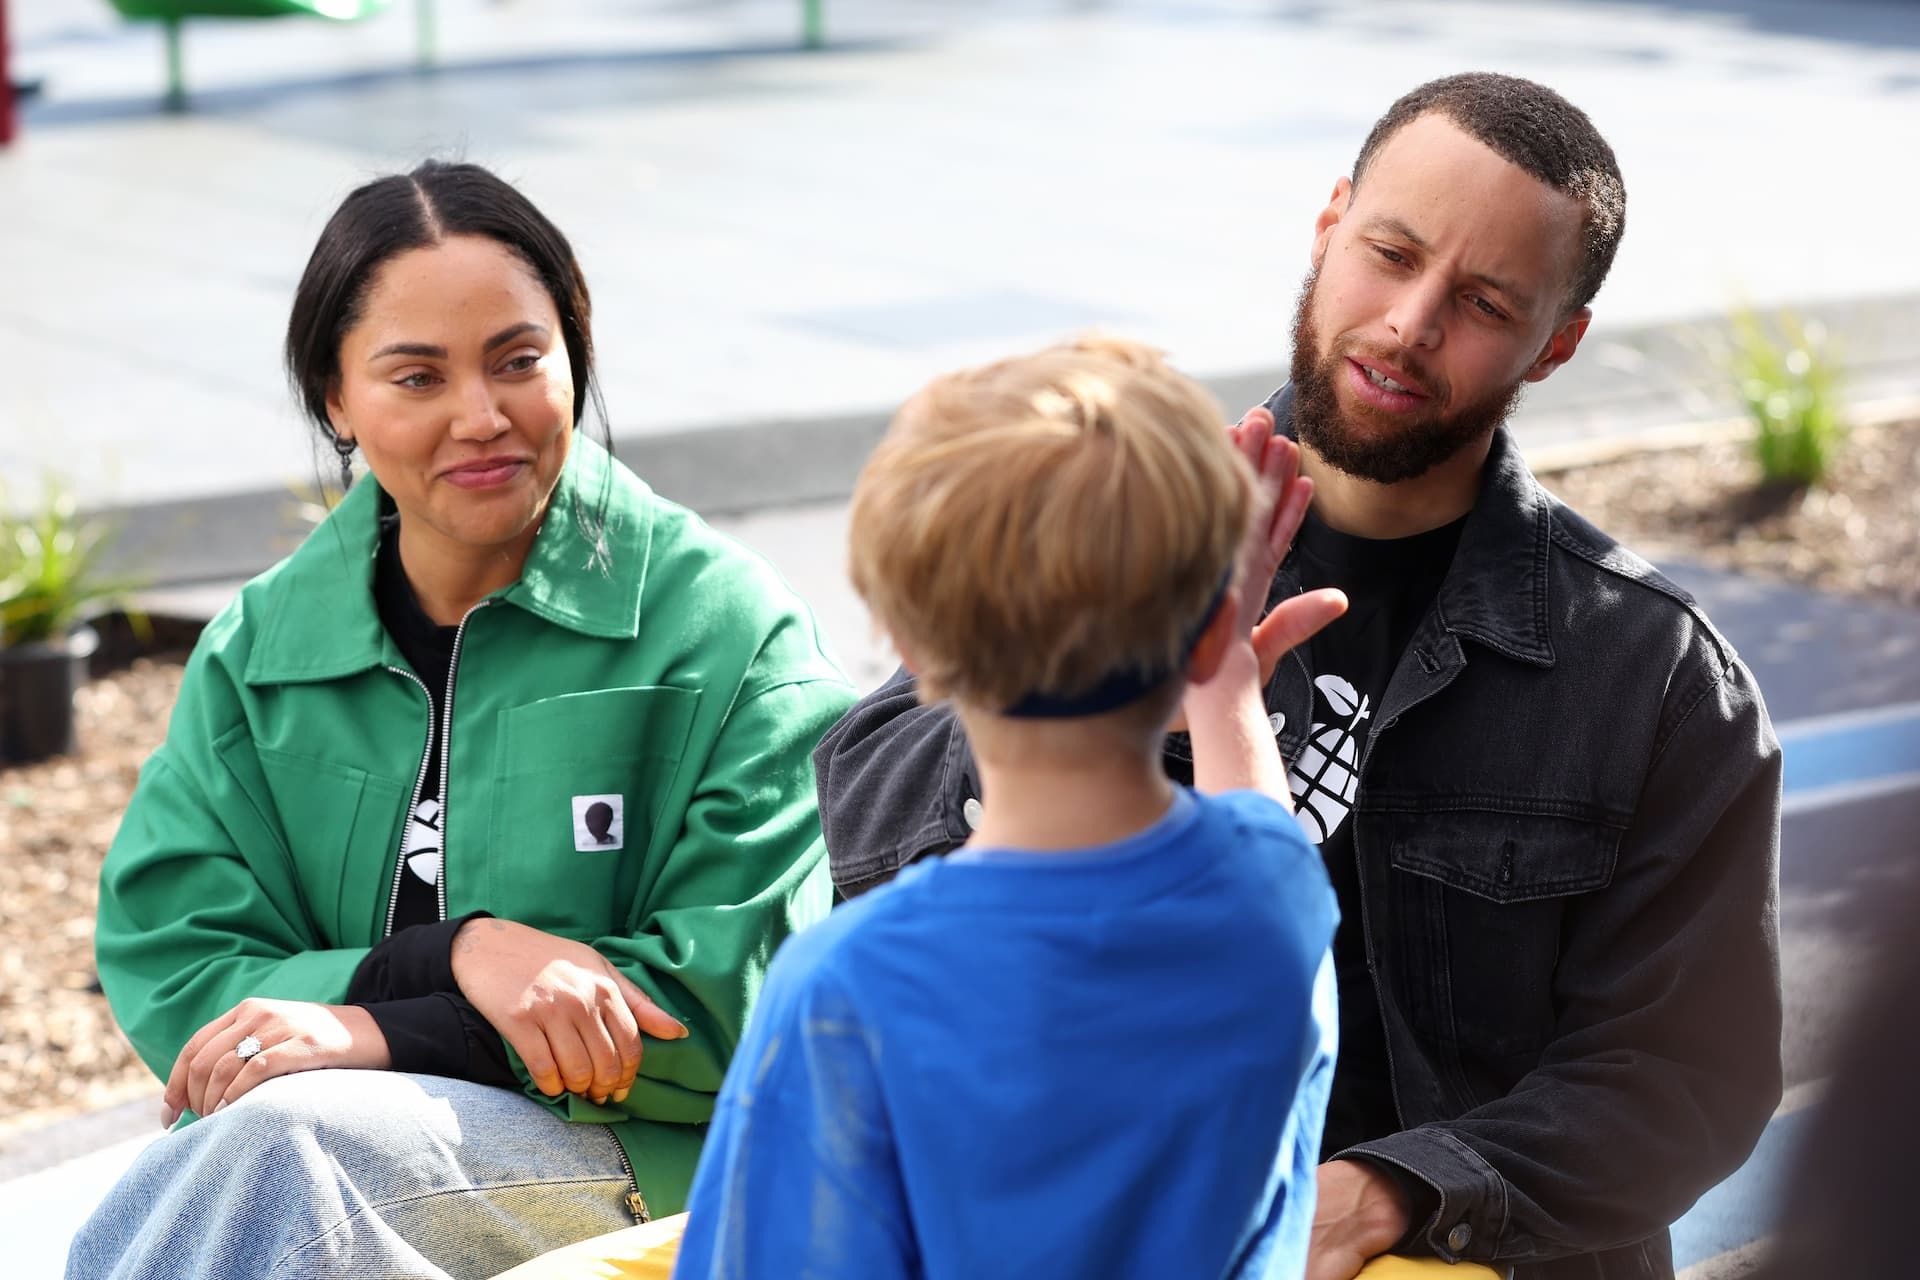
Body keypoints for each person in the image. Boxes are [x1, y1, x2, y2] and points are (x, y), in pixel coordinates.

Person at [813, 74, 1782, 1280]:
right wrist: (1102, 702)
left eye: (1483, 301)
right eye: (1391, 252)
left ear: (1559, 341)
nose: (1410, 322)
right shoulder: (1111, 521)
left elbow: (1688, 1075)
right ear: (1330, 227)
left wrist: (1392, 1189)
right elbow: (864, 818)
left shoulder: (1655, 675)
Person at [70, 160, 855, 1280]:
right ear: (335, 399)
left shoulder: (730, 630)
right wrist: (454, 954)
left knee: (289, 1156)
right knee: (235, 1170)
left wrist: (381, 1027)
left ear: (572, 355)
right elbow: (180, 953)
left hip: (661, 1160)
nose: (481, 416)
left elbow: (743, 991)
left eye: (518, 360)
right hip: (328, 1147)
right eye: (417, 375)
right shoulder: (264, 649)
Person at [673, 337, 1350, 1278]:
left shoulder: (848, 988)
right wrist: (1225, 676)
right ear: (1204, 636)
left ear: (912, 646)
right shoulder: (1273, 900)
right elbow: (1258, 819)